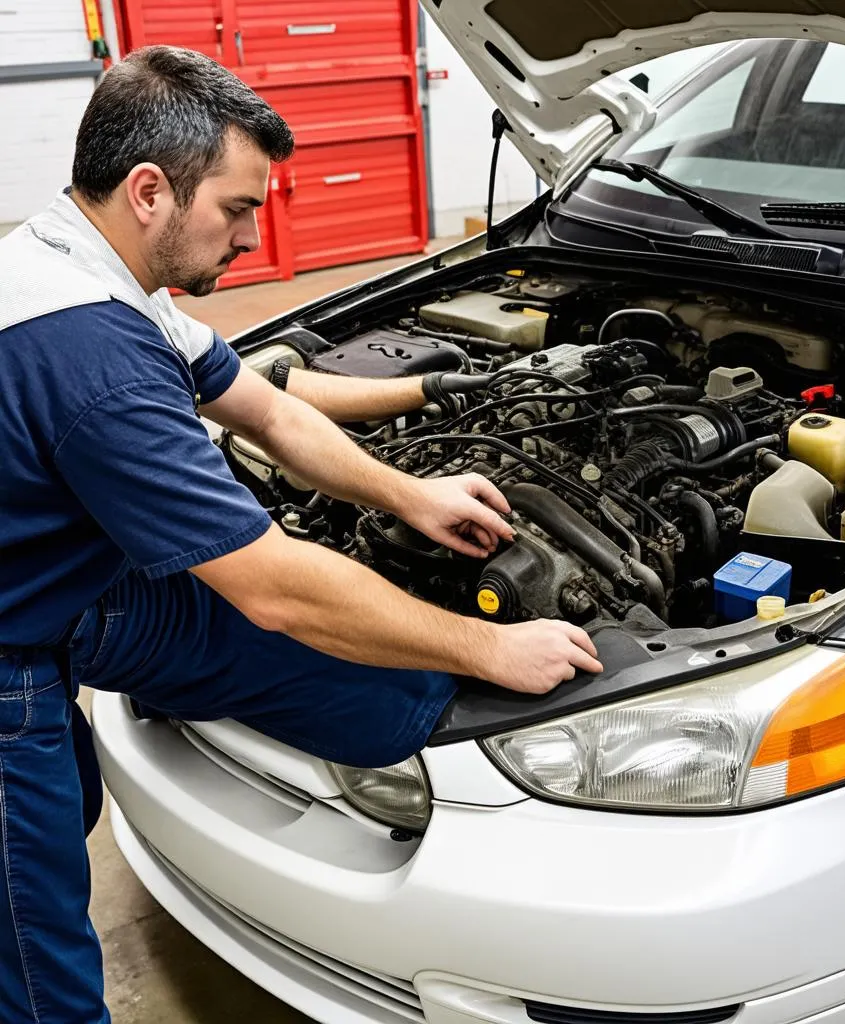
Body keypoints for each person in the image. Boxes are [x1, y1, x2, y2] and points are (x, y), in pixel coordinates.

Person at [0, 45, 603, 1023]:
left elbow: (270, 411)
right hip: (11, 647)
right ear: (150, 190)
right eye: (237, 207)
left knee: (71, 800)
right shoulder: (91, 352)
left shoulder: (85, 264)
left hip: (55, 577)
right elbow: (275, 588)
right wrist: (487, 642)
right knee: (37, 952)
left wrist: (408, 493)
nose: (251, 233)